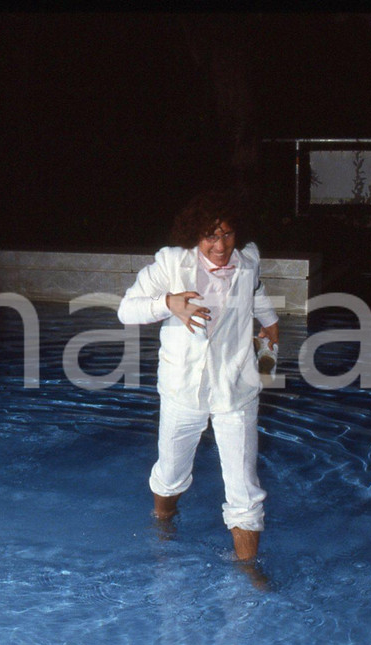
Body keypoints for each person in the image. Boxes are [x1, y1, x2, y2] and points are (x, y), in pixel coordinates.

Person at [117, 190, 279, 567]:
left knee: (245, 489)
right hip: (182, 389)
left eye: (226, 234)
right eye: (210, 236)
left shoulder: (248, 261)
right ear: (195, 236)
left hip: (236, 390)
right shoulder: (172, 265)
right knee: (172, 474)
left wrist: (270, 322)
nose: (220, 245)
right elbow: (127, 309)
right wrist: (167, 303)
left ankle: (249, 574)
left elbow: (256, 291)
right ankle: (163, 521)